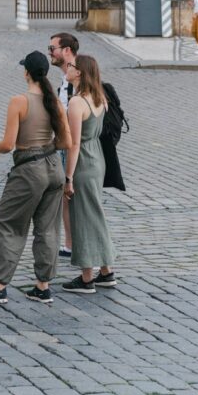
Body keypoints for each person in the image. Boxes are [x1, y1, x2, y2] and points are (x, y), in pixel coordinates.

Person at [0, 51, 70, 306]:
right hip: (54, 167)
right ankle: (43, 287)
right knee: (47, 229)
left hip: (29, 170)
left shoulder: (19, 101)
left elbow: (9, 143)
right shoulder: (55, 101)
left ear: (27, 73)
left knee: (6, 223)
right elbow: (66, 141)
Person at [63, 55, 117, 293]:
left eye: (72, 66)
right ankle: (106, 271)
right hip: (98, 158)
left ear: (81, 73)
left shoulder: (77, 102)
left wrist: (68, 178)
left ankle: (87, 277)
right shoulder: (99, 97)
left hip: (84, 160)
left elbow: (74, 144)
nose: (68, 68)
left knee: (83, 218)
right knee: (95, 214)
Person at [48, 32, 79, 259]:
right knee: (65, 198)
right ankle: (69, 244)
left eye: (53, 48)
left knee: (74, 196)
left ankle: (79, 246)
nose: (50, 52)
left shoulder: (77, 75)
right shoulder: (64, 77)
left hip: (73, 146)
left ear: (67, 50)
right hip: (64, 144)